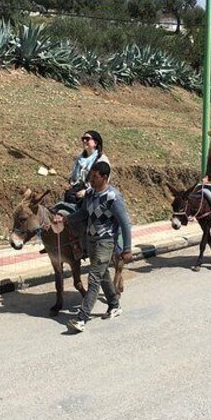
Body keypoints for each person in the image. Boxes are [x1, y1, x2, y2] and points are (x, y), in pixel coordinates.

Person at [58, 162, 133, 333]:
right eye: (90, 176)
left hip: (106, 241)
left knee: (94, 278)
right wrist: (66, 219)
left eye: (94, 176)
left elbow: (125, 223)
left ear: (105, 177)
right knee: (103, 273)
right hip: (91, 240)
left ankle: (81, 318)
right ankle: (114, 305)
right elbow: (84, 213)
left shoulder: (113, 197)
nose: (90, 179)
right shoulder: (91, 193)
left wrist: (127, 249)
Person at [64, 130, 110, 205]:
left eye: (87, 139)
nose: (84, 141)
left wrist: (87, 192)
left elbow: (103, 181)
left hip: (92, 194)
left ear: (95, 143)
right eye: (83, 139)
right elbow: (74, 176)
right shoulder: (80, 158)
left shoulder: (102, 160)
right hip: (76, 191)